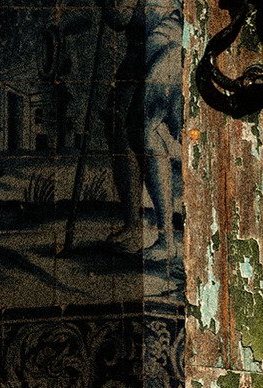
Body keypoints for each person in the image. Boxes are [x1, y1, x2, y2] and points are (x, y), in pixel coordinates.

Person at [102, 0, 183, 262]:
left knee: (144, 132)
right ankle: (135, 228)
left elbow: (119, 15)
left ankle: (166, 239)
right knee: (121, 127)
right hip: (145, 48)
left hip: (166, 45)